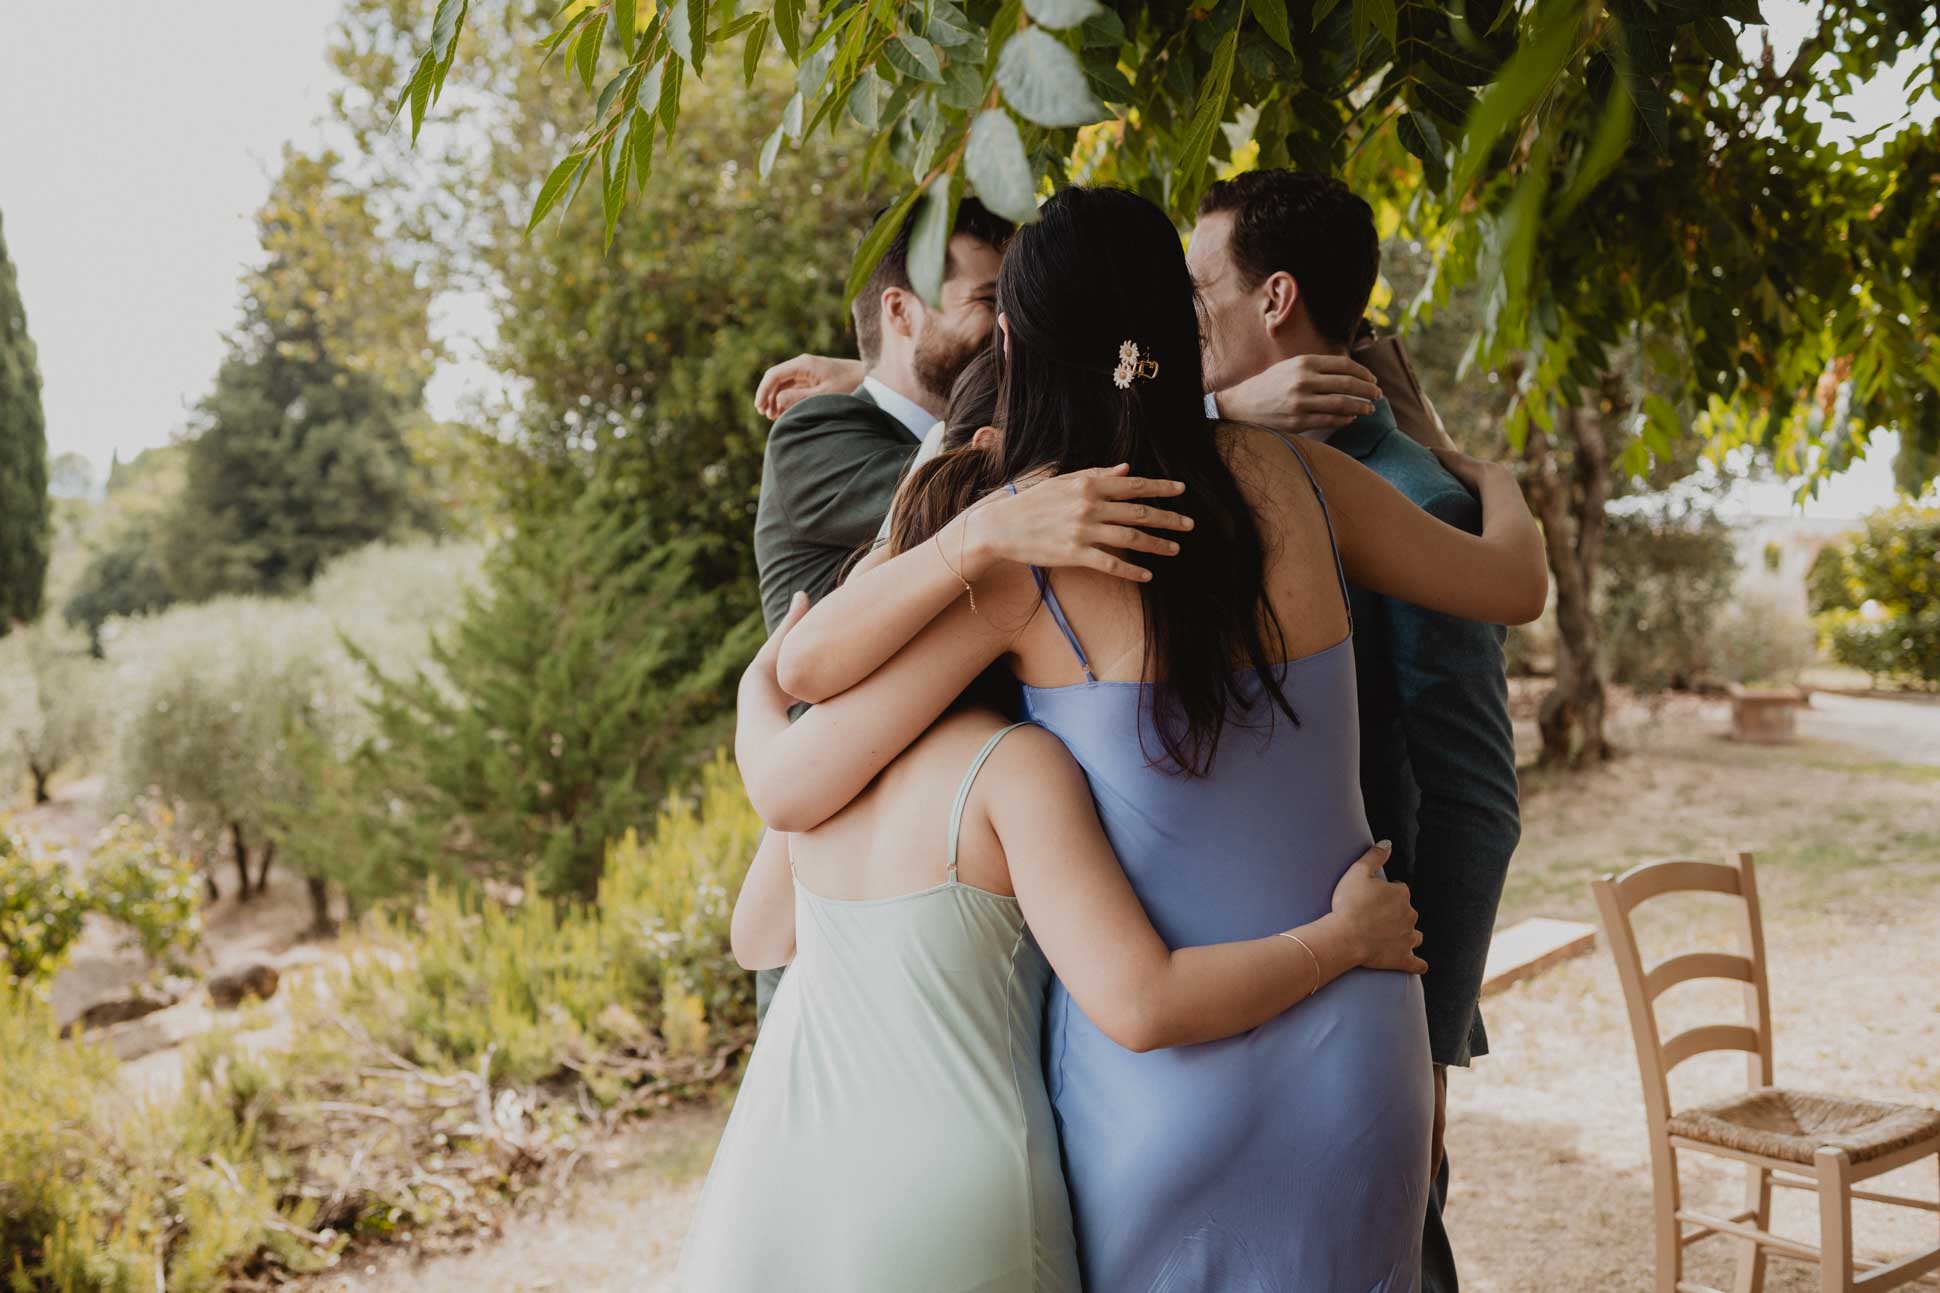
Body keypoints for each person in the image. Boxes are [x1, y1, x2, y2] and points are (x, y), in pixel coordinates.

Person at [743, 185, 1547, 1291]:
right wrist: (1488, 477)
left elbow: (805, 665)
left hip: (1158, 1072)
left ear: (1020, 341)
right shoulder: (1301, 481)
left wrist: (976, 530)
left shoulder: (1034, 555)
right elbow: (1508, 584)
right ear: (1179, 324)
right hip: (1361, 1041)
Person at [681, 578, 1426, 1292]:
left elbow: (757, 937)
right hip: (953, 1190)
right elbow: (1143, 1001)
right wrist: (1342, 940)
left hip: (788, 1176)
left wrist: (763, 690)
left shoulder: (820, 779)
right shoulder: (1011, 769)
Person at [1190, 168, 1522, 1293]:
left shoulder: (1414, 498)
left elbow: (1473, 795)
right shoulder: (1217, 457)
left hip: (1362, 1000)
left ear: (1273, 298)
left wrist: (1428, 1045)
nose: (1180, 320)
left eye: (1199, 291)